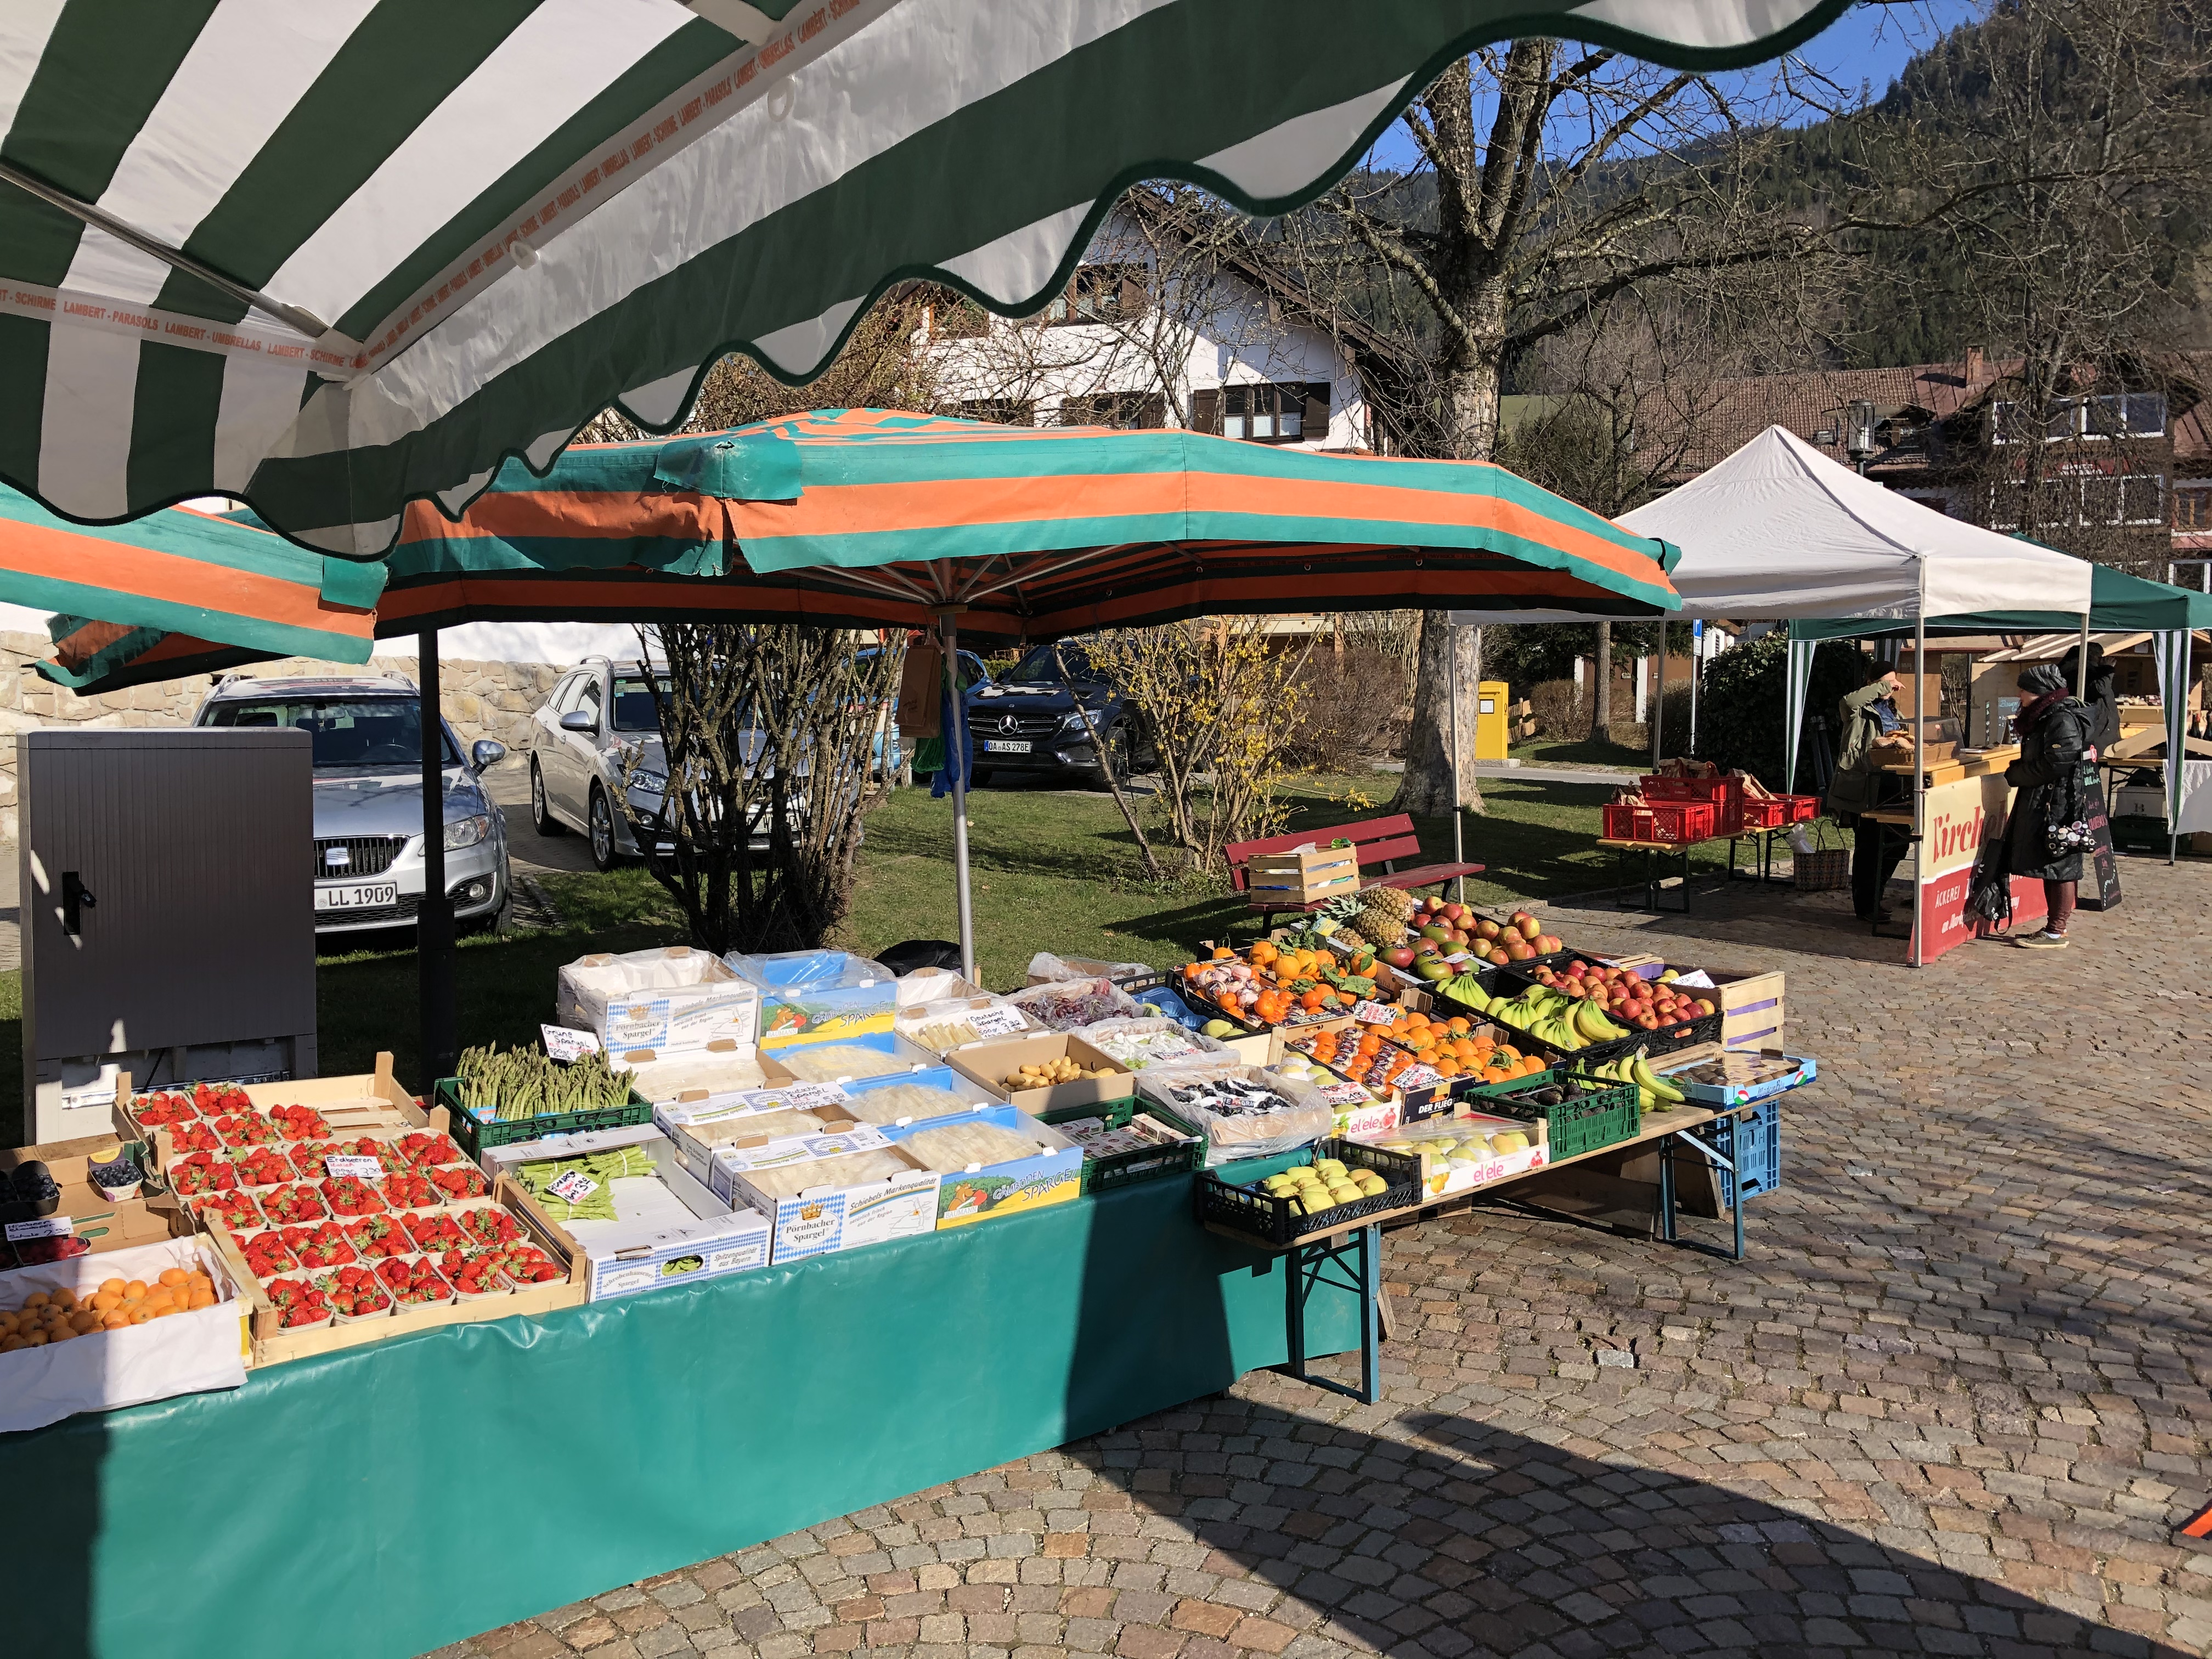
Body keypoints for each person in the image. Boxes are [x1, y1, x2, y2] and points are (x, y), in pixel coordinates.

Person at [2002, 661, 2094, 949]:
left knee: (2061, 864)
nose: (2020, 696)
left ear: (2039, 692)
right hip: (2052, 801)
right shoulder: (2047, 716)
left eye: (2023, 691)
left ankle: (2056, 931)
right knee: (2054, 863)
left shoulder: (2060, 718)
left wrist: (2017, 774)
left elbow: (2057, 762)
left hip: (2060, 805)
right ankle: (2055, 929)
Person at [1825, 663, 1910, 922]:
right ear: (1872, 683)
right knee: (1869, 847)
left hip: (1892, 786)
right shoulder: (1858, 710)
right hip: (1864, 787)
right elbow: (1848, 701)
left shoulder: (1895, 711)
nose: (1892, 688)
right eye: (1886, 682)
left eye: (1893, 682)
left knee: (1899, 842)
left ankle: (1876, 895)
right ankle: (1866, 906)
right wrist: (1883, 686)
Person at [2059, 641, 2118, 760]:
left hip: (2101, 730)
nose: (2100, 660)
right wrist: (2107, 669)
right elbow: (2099, 689)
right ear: (2090, 656)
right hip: (2095, 731)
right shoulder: (2077, 671)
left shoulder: (2089, 671)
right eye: (2099, 656)